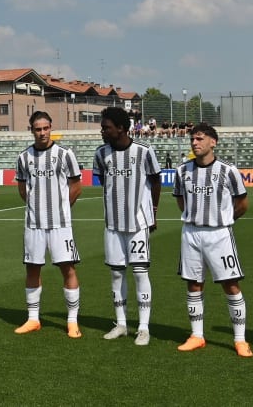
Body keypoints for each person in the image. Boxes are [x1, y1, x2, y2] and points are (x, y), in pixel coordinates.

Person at [172, 123, 252, 357]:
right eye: (193, 140)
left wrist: (225, 219)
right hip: (191, 233)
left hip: (219, 235)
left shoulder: (228, 171)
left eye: (199, 139)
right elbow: (180, 200)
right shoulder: (182, 171)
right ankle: (197, 335)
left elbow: (243, 203)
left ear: (213, 142)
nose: (195, 143)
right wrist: (193, 217)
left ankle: (240, 339)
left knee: (230, 284)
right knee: (194, 284)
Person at [95, 106, 161, 345]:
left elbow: (155, 182)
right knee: (116, 274)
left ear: (121, 128)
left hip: (138, 224)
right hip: (112, 224)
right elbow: (104, 181)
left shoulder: (144, 152)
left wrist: (153, 212)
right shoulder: (101, 154)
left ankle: (143, 328)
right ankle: (121, 323)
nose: (102, 131)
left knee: (140, 272)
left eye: (106, 127)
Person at [14, 111, 83, 337]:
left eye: (45, 128)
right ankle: (33, 319)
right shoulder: (24, 157)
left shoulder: (65, 154)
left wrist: (62, 208)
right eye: (37, 129)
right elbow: (23, 188)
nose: (42, 133)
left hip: (60, 224)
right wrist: (37, 207)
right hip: (34, 224)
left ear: (51, 127)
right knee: (32, 267)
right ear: (31, 130)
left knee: (67, 268)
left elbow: (76, 186)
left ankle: (72, 321)